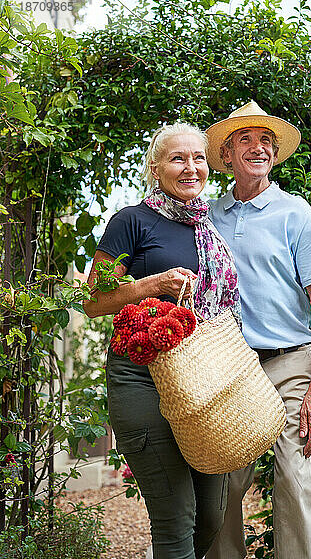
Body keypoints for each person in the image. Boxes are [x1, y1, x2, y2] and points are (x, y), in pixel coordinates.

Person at [83, 122, 242, 559]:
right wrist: (151, 285)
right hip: (141, 379)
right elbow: (93, 300)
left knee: (212, 515)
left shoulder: (212, 226)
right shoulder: (131, 222)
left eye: (197, 158)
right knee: (176, 518)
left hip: (202, 382)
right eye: (177, 158)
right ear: (156, 168)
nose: (190, 168)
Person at [205, 101, 311, 559]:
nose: (258, 148)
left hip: (290, 359)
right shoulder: (208, 216)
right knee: (223, 481)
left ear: (274, 155)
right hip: (232, 368)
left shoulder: (295, 213)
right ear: (226, 155)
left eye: (266, 141)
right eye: (245, 139)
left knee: (293, 474)